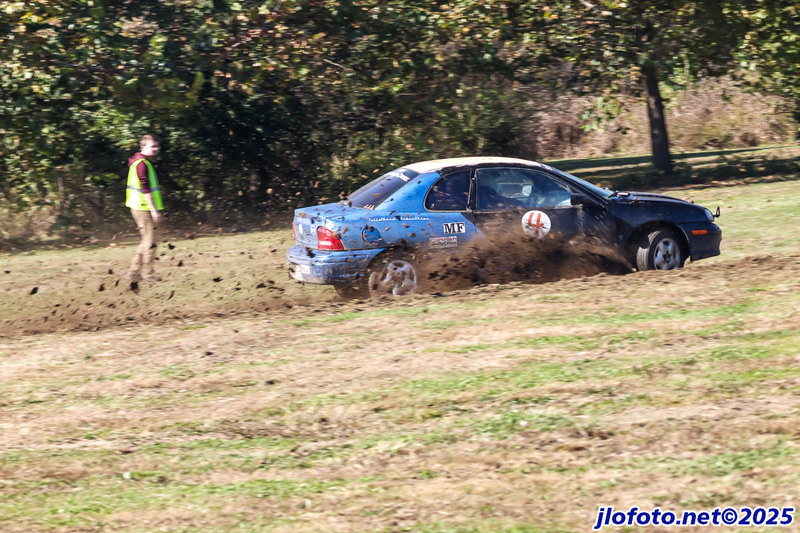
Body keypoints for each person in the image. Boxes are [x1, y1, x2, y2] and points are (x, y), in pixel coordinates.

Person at [126, 134, 164, 282]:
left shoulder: (141, 162)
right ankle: (147, 274)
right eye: (152, 146)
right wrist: (153, 210)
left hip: (140, 206)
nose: (156, 149)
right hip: (143, 207)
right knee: (150, 242)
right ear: (143, 147)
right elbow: (145, 188)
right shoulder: (141, 164)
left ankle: (133, 272)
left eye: (157, 146)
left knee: (147, 241)